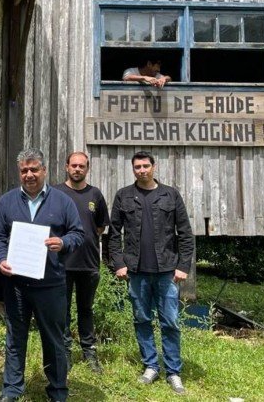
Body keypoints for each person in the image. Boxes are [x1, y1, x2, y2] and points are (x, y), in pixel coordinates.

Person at [0, 148, 84, 402]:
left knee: (53, 339)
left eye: (34, 169)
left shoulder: (62, 201)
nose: (29, 175)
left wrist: (62, 243)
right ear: (19, 173)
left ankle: (57, 391)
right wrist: (0, 259)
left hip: (51, 284)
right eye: (24, 170)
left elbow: (78, 233)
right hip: (16, 284)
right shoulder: (7, 201)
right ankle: (12, 389)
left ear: (44, 170)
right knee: (14, 337)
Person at [108, 151, 194, 395]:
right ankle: (150, 366)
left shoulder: (170, 195)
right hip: (136, 271)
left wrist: (182, 266)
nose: (142, 170)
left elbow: (185, 233)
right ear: (133, 169)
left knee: (171, 322)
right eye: (137, 167)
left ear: (154, 167)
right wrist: (118, 263)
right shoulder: (124, 196)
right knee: (142, 319)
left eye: (146, 166)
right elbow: (114, 234)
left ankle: (173, 371)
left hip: (166, 271)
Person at [53, 152, 109, 374]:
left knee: (86, 309)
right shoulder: (56, 193)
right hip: (61, 263)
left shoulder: (95, 194)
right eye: (73, 165)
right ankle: (65, 351)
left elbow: (99, 227)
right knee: (62, 310)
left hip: (88, 263)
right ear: (66, 167)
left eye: (81, 166)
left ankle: (89, 351)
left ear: (88, 168)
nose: (77, 169)